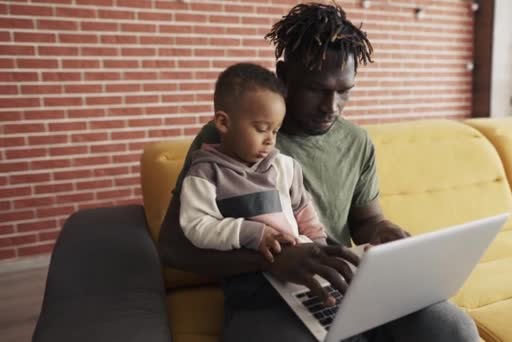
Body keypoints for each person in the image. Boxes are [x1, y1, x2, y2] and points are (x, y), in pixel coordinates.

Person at [159, 2, 479, 341]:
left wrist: (383, 232)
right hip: (264, 295)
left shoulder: (357, 141)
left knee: (452, 329)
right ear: (283, 77)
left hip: (347, 282)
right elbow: (172, 247)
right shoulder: (230, 138)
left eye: (344, 91)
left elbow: (365, 221)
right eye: (316, 89)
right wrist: (270, 259)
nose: (331, 107)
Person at [179, 63, 327, 264]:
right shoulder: (205, 173)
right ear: (223, 123)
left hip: (301, 266)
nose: (270, 140)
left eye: (275, 131)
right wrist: (253, 234)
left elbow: (304, 213)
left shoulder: (285, 167)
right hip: (249, 277)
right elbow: (197, 225)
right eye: (261, 128)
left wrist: (320, 249)